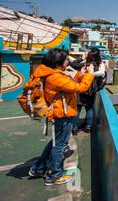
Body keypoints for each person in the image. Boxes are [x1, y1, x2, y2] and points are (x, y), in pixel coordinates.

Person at [27, 48, 94, 186]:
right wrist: (90, 75)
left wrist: (80, 75)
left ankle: (38, 168)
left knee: (55, 142)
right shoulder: (55, 76)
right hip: (62, 113)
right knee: (60, 145)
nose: (68, 61)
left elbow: (68, 86)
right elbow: (80, 89)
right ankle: (53, 176)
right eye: (66, 60)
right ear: (59, 62)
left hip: (59, 111)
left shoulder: (51, 73)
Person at [70, 48, 106, 134]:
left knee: (77, 109)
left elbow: (73, 64)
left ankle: (75, 128)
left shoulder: (84, 65)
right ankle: (88, 127)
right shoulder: (99, 65)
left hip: (82, 89)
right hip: (91, 91)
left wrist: (82, 58)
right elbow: (102, 77)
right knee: (89, 109)